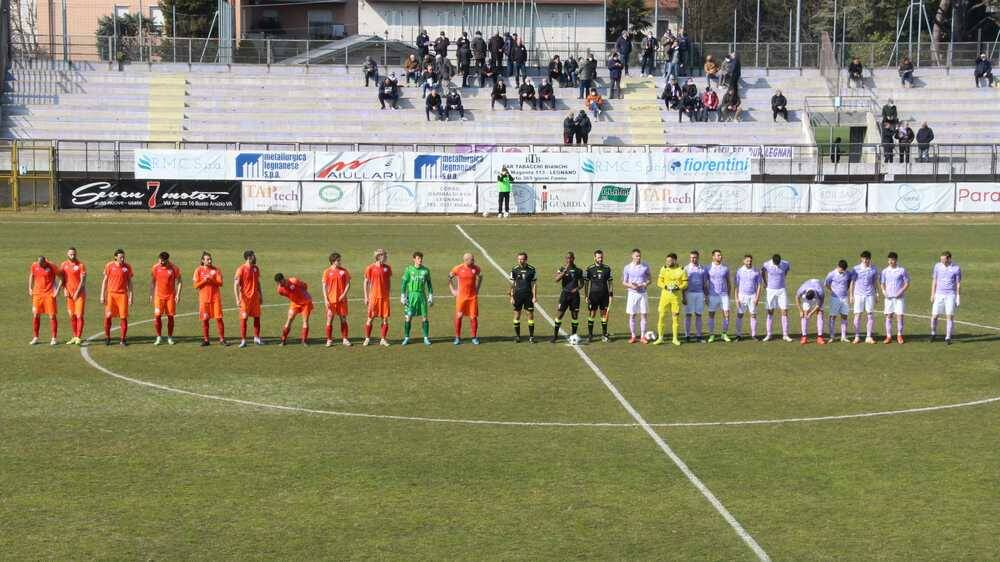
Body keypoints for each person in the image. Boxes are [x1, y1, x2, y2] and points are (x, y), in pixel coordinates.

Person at [100, 249, 133, 346]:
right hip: (111, 295)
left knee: (123, 317)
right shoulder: (109, 265)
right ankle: (107, 337)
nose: (122, 259)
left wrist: (131, 296)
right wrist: (102, 295)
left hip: (122, 295)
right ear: (115, 257)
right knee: (108, 316)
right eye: (120, 257)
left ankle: (122, 339)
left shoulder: (127, 267)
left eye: (123, 257)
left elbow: (130, 283)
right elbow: (105, 281)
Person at [400, 251, 433, 346]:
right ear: (414, 259)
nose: (420, 260)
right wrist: (403, 296)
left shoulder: (426, 270)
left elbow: (429, 284)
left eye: (421, 258)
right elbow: (404, 284)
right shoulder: (409, 270)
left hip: (422, 296)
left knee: (425, 317)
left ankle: (426, 338)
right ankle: (406, 337)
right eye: (418, 258)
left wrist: (430, 296)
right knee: (408, 317)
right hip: (411, 296)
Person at [654, 253, 687, 346]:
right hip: (664, 297)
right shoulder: (664, 268)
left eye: (669, 261)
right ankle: (660, 338)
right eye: (667, 261)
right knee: (661, 317)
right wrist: (665, 286)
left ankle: (675, 339)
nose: (667, 262)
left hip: (675, 298)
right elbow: (659, 282)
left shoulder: (682, 270)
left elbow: (685, 284)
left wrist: (678, 287)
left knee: (675, 318)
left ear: (675, 260)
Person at [449, 253, 482, 345]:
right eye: (472, 259)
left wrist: (477, 289)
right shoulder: (458, 268)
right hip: (461, 297)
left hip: (472, 297)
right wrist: (453, 290)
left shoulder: (476, 268)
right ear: (466, 260)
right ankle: (457, 337)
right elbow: (449, 277)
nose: (474, 261)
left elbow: (480, 277)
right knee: (459, 316)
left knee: (473, 317)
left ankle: (474, 337)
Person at [193, 251, 225, 346]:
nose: (210, 261)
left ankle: (222, 339)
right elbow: (195, 286)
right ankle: (206, 340)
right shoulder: (198, 270)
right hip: (204, 299)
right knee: (205, 319)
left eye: (210, 259)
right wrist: (204, 281)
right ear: (203, 260)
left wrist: (211, 279)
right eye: (208, 259)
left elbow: (220, 283)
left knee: (219, 318)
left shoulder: (216, 270)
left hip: (215, 299)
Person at [551, 252, 584, 343]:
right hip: (564, 295)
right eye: (567, 258)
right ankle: (555, 336)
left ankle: (573, 335)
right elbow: (556, 279)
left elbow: (582, 284)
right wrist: (563, 272)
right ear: (565, 259)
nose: (568, 260)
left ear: (573, 258)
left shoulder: (578, 270)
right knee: (559, 315)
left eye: (570, 258)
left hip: (575, 297)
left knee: (574, 316)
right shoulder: (561, 269)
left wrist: (577, 289)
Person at [149, 251, 181, 346]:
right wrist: (151, 294)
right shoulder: (155, 267)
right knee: (157, 316)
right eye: (160, 260)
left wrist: (178, 294)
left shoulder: (174, 268)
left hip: (170, 296)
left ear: (167, 260)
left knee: (170, 317)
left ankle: (170, 337)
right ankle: (158, 337)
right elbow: (152, 281)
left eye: (163, 261)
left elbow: (179, 281)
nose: (161, 262)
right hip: (158, 296)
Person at [28, 255, 61, 345]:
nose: (40, 266)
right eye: (39, 264)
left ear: (45, 262)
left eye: (42, 264)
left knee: (52, 316)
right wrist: (30, 288)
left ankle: (54, 338)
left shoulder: (52, 266)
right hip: (37, 294)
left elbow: (62, 277)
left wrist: (57, 290)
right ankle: (35, 337)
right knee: (36, 315)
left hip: (49, 294)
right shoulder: (34, 265)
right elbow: (32, 275)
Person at [930, 250, 961, 344]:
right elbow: (934, 280)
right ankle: (933, 333)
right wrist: (932, 294)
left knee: (949, 316)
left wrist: (958, 296)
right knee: (934, 316)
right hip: (939, 294)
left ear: (949, 259)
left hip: (950, 295)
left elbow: (958, 283)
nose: (942, 261)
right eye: (941, 259)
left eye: (944, 260)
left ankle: (948, 337)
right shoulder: (937, 266)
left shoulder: (956, 268)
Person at [362, 249, 392, 347]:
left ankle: (383, 339)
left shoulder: (387, 268)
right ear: (379, 256)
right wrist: (366, 296)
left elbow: (388, 281)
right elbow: (366, 282)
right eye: (384, 255)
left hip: (384, 298)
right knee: (370, 318)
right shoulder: (370, 268)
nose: (386, 257)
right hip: (374, 297)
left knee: (385, 319)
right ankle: (367, 338)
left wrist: (388, 292)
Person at [622, 248, 652, 344]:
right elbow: (624, 282)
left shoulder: (645, 266)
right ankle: (633, 336)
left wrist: (643, 284)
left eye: (639, 256)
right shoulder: (627, 267)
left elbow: (649, 279)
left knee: (644, 315)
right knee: (632, 315)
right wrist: (631, 286)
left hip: (642, 294)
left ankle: (643, 336)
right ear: (632, 256)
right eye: (636, 256)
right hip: (632, 294)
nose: (638, 258)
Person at [760, 253, 792, 342]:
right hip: (770, 290)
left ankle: (785, 335)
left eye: (778, 263)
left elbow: (786, 270)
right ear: (773, 261)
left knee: (784, 311)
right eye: (775, 263)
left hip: (782, 290)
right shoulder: (767, 264)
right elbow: (762, 271)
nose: (777, 265)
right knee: (770, 312)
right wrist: (765, 282)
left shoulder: (785, 263)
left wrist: (783, 278)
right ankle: (768, 334)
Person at [274, 273, 313, 346]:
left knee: (305, 321)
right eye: (277, 283)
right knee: (289, 319)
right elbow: (287, 295)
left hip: (305, 302)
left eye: (280, 282)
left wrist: (303, 295)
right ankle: (283, 340)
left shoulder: (293, 281)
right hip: (295, 303)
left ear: (283, 279)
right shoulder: (280, 290)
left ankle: (304, 341)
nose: (279, 284)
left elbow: (305, 286)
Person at [234, 249, 263, 348]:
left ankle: (257, 338)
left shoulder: (256, 268)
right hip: (245, 299)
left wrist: (261, 295)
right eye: (254, 256)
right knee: (244, 319)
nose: (255, 258)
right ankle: (243, 340)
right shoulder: (241, 269)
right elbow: (236, 285)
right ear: (249, 257)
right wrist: (237, 299)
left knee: (257, 318)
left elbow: (258, 283)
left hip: (255, 298)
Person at [322, 252, 351, 347]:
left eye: (340, 260)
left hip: (342, 300)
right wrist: (326, 299)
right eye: (338, 260)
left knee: (343, 319)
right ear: (333, 262)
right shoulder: (327, 272)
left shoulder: (344, 271)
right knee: (329, 319)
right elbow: (324, 286)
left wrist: (343, 294)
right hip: (331, 300)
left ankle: (345, 339)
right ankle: (329, 340)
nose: (340, 262)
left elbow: (348, 283)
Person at [583, 249, 613, 343]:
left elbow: (610, 282)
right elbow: (586, 283)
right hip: (593, 296)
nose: (600, 259)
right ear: (594, 257)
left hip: (604, 295)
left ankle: (604, 335)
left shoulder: (607, 269)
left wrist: (611, 294)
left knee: (604, 315)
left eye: (601, 257)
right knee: (592, 314)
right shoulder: (589, 269)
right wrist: (586, 296)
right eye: (598, 257)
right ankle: (590, 335)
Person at [849, 250, 879, 344]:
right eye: (864, 259)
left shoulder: (874, 269)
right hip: (858, 295)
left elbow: (875, 282)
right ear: (861, 259)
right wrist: (851, 295)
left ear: (870, 259)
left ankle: (868, 337)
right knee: (857, 315)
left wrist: (877, 293)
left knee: (870, 314)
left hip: (870, 294)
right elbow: (852, 282)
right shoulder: (856, 269)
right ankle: (857, 336)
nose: (865, 260)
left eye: (867, 259)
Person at [880, 252, 910, 344]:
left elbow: (907, 283)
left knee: (899, 316)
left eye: (892, 260)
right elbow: (882, 283)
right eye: (889, 260)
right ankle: (888, 336)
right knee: (888, 316)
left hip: (899, 298)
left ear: (896, 260)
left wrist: (900, 292)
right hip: (888, 298)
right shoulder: (885, 271)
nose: (891, 262)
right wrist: (884, 292)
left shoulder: (901, 270)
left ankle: (899, 335)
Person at [59, 247, 86, 345]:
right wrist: (64, 289)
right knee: (72, 316)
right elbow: (62, 279)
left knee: (79, 315)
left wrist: (77, 293)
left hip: (79, 295)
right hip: (69, 295)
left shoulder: (81, 265)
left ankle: (79, 336)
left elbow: (83, 281)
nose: (72, 256)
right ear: (67, 254)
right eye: (71, 254)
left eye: (74, 254)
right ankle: (74, 336)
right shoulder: (63, 265)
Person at [509, 251, 538, 343]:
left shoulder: (532, 269)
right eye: (519, 259)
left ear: (526, 259)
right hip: (517, 295)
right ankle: (517, 337)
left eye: (522, 259)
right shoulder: (514, 269)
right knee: (517, 315)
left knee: (530, 315)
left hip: (528, 296)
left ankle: (531, 337)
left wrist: (534, 296)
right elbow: (512, 284)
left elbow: (534, 284)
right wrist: (511, 297)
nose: (521, 261)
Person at [824, 259, 854, 343]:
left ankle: (843, 337)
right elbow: (826, 284)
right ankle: (832, 336)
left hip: (844, 298)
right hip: (835, 298)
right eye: (841, 269)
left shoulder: (848, 273)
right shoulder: (832, 274)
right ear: (838, 266)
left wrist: (847, 290)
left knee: (844, 316)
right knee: (832, 316)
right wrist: (832, 291)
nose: (843, 271)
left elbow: (850, 281)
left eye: (844, 270)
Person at [706, 250, 732, 343]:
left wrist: (728, 295)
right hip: (712, 295)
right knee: (711, 315)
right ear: (713, 257)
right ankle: (711, 335)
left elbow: (729, 282)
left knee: (726, 315)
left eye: (720, 255)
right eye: (718, 255)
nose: (720, 257)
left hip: (724, 295)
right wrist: (706, 295)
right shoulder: (708, 268)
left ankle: (724, 334)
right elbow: (705, 283)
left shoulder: (725, 268)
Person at [734, 254, 761, 341]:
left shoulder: (756, 271)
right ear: (744, 261)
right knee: (740, 315)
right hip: (742, 296)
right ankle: (738, 335)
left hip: (752, 296)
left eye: (750, 261)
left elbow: (759, 285)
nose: (749, 262)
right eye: (747, 261)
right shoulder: (739, 271)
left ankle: (753, 334)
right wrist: (736, 298)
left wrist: (757, 297)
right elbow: (736, 286)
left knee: (753, 315)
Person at [682, 250, 708, 342]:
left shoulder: (702, 269)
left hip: (700, 294)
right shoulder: (686, 268)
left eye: (695, 257)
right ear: (690, 258)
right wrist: (684, 296)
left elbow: (705, 284)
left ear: (698, 258)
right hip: (689, 294)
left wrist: (706, 296)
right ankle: (687, 336)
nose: (693, 259)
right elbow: (683, 285)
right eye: (692, 257)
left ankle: (699, 336)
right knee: (688, 315)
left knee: (698, 315)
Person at [795, 279, 827, 345]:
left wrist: (811, 313)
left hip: (817, 297)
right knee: (804, 314)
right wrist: (800, 311)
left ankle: (820, 337)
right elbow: (797, 298)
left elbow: (819, 304)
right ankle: (804, 337)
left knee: (820, 313)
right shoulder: (802, 289)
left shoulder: (820, 292)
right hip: (807, 292)